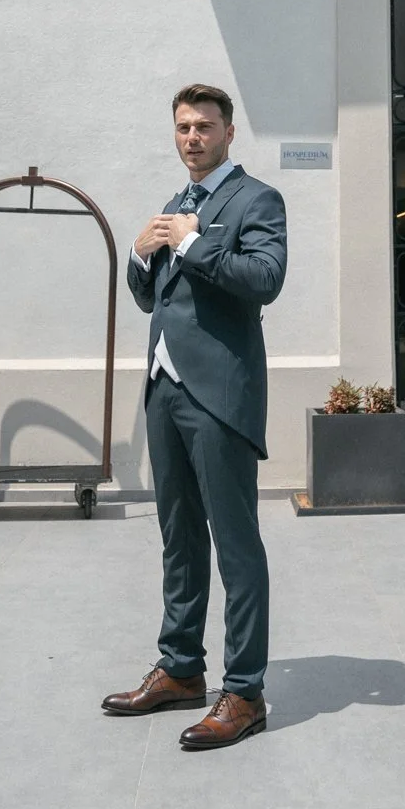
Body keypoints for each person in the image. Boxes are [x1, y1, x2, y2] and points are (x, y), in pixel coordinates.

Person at [102, 83, 287, 749]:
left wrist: (190, 244)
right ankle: (181, 669)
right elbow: (155, 298)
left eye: (204, 126)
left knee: (235, 544)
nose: (191, 137)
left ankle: (244, 691)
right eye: (182, 126)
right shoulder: (176, 205)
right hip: (164, 388)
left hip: (219, 395)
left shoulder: (256, 199)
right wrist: (139, 254)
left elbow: (265, 277)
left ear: (229, 133)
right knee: (179, 538)